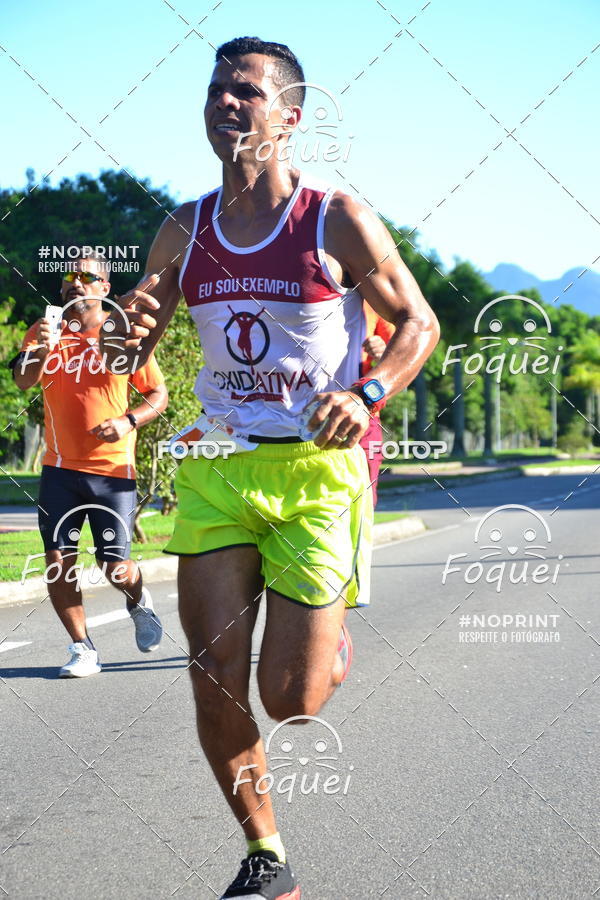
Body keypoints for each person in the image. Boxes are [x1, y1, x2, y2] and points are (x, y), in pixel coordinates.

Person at [101, 37, 439, 900]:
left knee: (293, 699)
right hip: (216, 464)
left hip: (318, 473)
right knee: (213, 674)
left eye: (244, 92)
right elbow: (137, 329)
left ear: (289, 115)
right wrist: (125, 332)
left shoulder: (335, 220)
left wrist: (365, 393)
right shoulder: (184, 226)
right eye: (215, 89)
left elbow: (419, 327)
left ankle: (327, 645)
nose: (225, 103)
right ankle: (267, 856)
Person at [12, 251, 168, 678]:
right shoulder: (45, 331)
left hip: (112, 469)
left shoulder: (121, 335)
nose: (75, 282)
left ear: (104, 289)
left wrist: (128, 420)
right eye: (69, 276)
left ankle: (139, 600)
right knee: (58, 559)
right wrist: (41, 349)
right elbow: (22, 379)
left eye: (86, 276)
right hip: (59, 467)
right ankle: (82, 648)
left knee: (113, 565)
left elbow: (159, 394)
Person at [360, 305, 395, 506]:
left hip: (363, 417)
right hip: (302, 415)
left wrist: (382, 353)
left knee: (362, 502)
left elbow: (400, 357)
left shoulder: (372, 299)